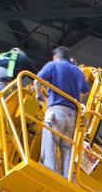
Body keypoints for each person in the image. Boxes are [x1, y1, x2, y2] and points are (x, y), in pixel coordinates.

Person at [35, 47, 89, 178]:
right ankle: (68, 180)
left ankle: (51, 178)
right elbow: (85, 90)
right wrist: (77, 101)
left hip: (56, 112)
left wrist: (39, 95)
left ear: (56, 57)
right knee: (68, 150)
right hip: (73, 115)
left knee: (50, 147)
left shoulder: (53, 65)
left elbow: (37, 80)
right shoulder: (78, 72)